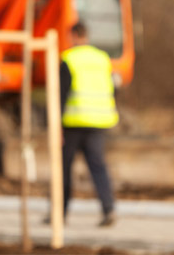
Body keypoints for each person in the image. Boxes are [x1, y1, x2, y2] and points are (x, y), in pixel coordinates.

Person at [59, 21, 118, 227]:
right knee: (98, 167)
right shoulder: (102, 59)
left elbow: (61, 94)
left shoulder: (69, 59)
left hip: (73, 123)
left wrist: (56, 124)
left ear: (74, 36)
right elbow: (113, 89)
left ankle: (60, 213)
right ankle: (109, 209)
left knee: (64, 169)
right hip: (98, 122)